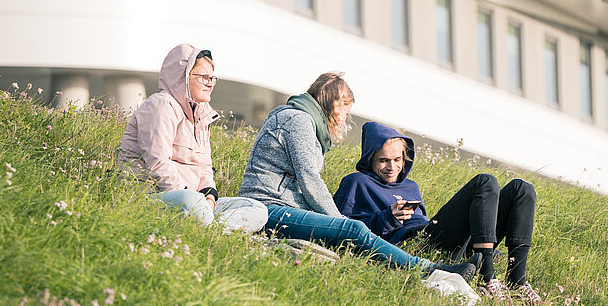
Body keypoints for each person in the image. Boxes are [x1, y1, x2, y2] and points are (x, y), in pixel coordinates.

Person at [237, 72, 477, 282]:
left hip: (280, 206)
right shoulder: (299, 120)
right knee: (353, 230)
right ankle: (431, 271)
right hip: (270, 208)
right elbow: (309, 179)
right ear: (335, 103)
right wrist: (339, 222)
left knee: (350, 231)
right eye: (345, 111)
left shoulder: (298, 118)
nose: (344, 119)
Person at [333, 122, 540, 306]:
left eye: (397, 159)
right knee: (484, 182)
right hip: (416, 244)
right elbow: (342, 229)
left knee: (522, 189)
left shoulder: (410, 186)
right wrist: (388, 217)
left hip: (437, 235)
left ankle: (517, 282)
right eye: (383, 160)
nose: (392, 167)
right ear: (370, 159)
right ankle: (487, 278)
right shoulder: (356, 182)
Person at [118, 44, 267, 232]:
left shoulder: (202, 116)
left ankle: (212, 230)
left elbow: (205, 168)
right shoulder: (161, 105)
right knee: (192, 201)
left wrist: (210, 199)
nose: (210, 83)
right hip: (156, 197)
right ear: (182, 76)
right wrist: (195, 199)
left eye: (212, 78)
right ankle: (214, 231)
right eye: (203, 77)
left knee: (257, 208)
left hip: (196, 204)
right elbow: (158, 164)